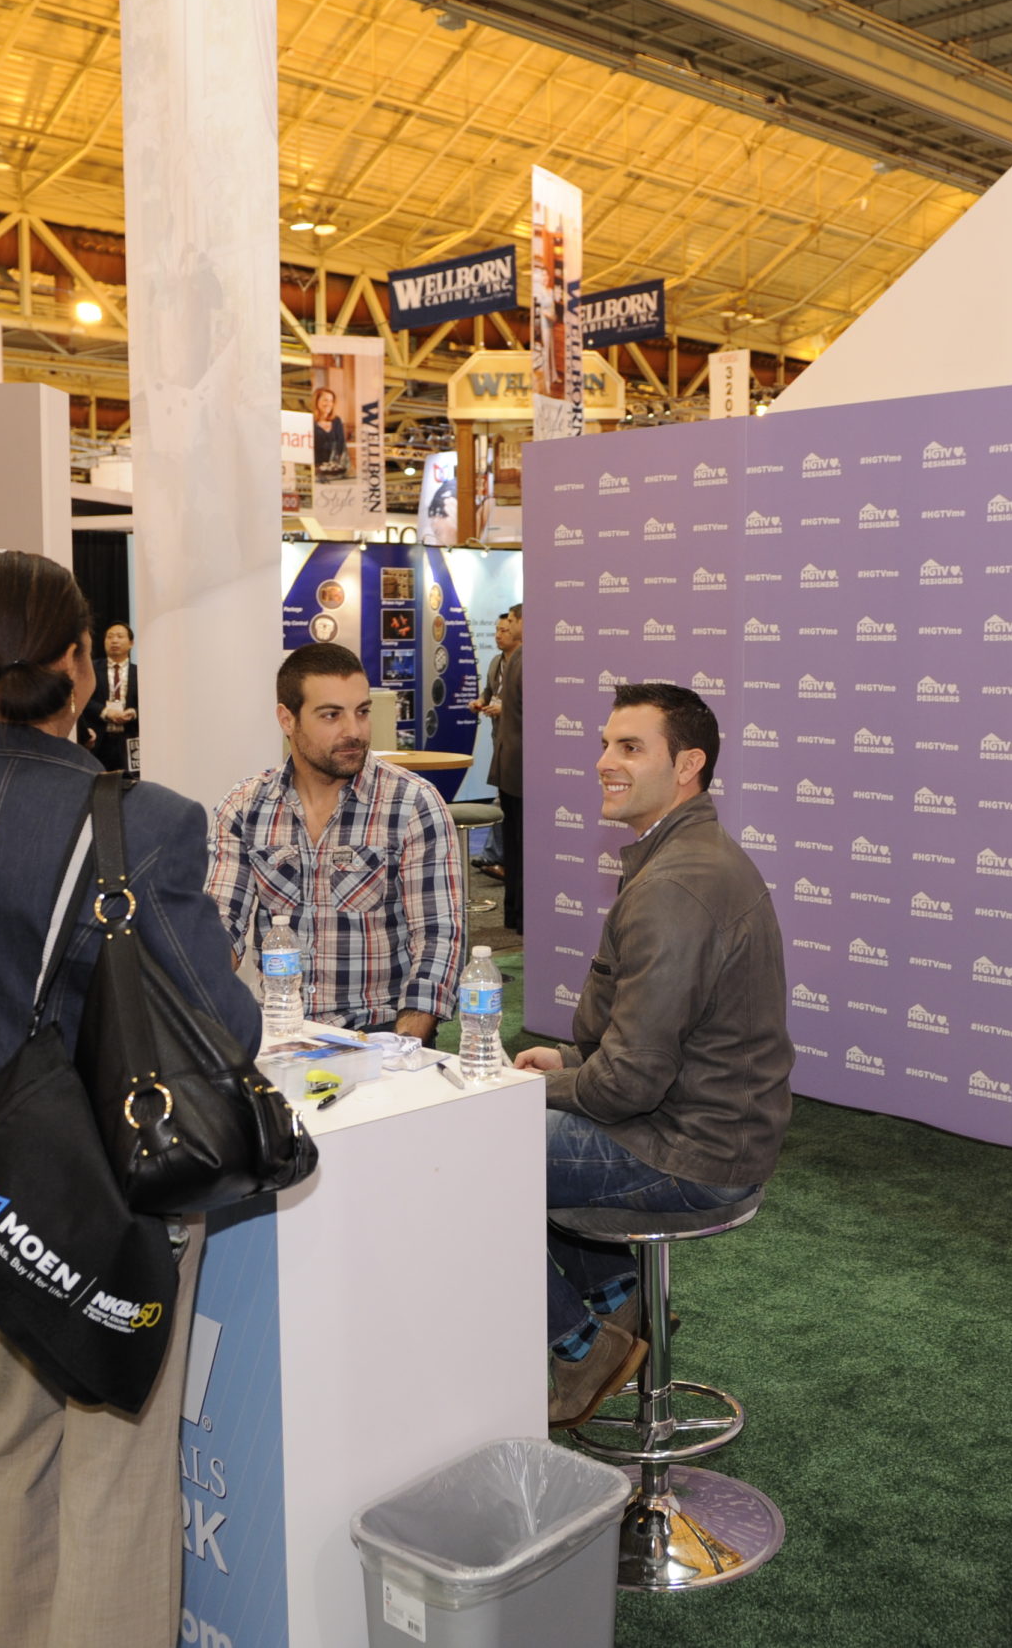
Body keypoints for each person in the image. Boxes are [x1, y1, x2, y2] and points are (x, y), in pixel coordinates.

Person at [0, 550, 256, 1646]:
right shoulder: (147, 818)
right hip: (116, 1184)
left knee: (10, 1435)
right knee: (116, 1455)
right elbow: (226, 1031)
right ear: (82, 661)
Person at [513, 683, 793, 1428]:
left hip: (687, 1148)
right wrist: (569, 1067)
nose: (605, 761)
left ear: (688, 765)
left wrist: (538, 1090)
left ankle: (579, 1346)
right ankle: (620, 1304)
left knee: (471, 1155)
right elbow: (650, 1043)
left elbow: (629, 1083)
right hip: (701, 1126)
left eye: (630, 747)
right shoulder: (684, 856)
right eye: (606, 744)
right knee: (507, 1132)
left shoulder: (676, 883)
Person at [207, 642, 464, 1040]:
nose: (354, 731)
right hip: (279, 1029)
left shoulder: (412, 803)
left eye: (362, 712)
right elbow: (222, 925)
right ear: (287, 719)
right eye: (331, 715)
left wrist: (402, 1046)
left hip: (378, 1031)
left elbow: (438, 937)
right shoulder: (244, 806)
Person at [487, 604, 525, 930]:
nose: (507, 628)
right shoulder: (525, 659)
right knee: (520, 845)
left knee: (515, 844)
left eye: (511, 622)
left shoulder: (517, 659)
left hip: (511, 764)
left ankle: (515, 914)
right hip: (521, 768)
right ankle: (521, 915)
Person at [80, 620, 139, 774]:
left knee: (130, 782)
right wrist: (105, 712)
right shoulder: (91, 669)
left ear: (131, 643)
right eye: (110, 636)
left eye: (120, 636)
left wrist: (134, 712)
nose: (114, 640)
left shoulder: (140, 672)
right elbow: (81, 698)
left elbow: (150, 704)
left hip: (129, 737)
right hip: (99, 739)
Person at [310, 383, 350, 480]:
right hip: (316, 472)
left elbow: (341, 446)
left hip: (335, 470)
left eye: (331, 401)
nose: (329, 404)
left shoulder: (336, 421)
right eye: (325, 400)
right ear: (316, 401)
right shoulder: (309, 422)